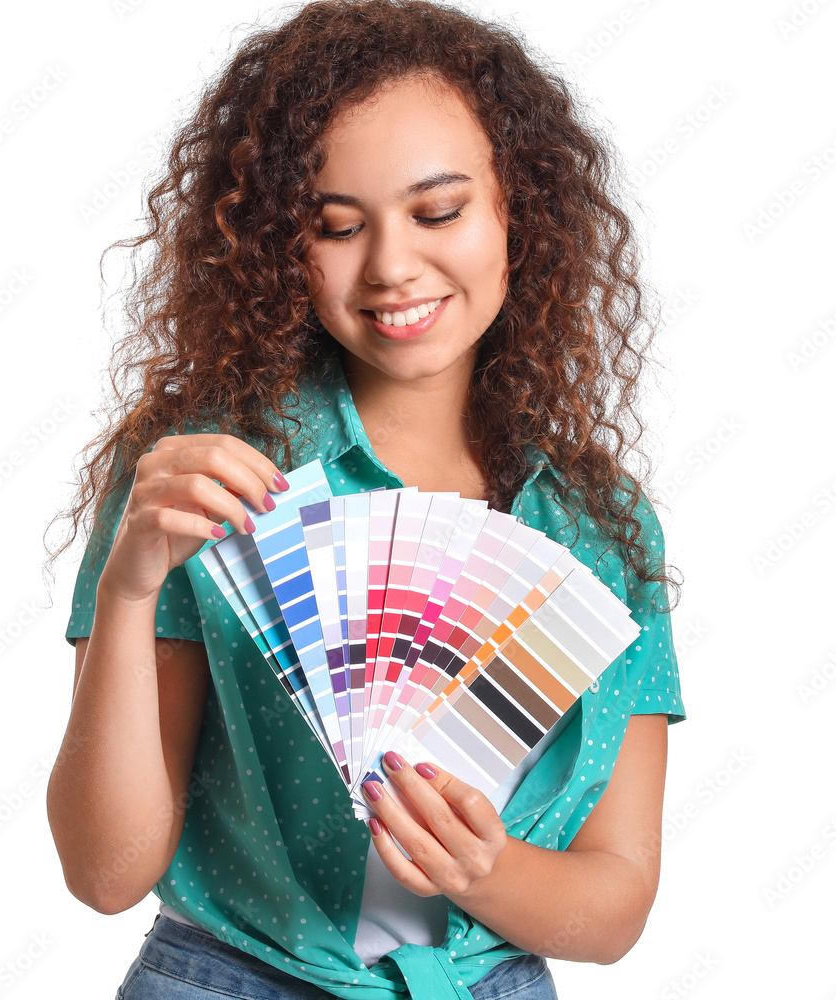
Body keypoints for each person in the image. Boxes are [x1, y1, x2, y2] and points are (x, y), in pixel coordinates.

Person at [45, 1, 686, 997]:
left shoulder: (600, 528)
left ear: (522, 206)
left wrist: (486, 869)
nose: (391, 265)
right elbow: (104, 870)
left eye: (439, 212)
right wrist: (128, 592)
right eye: (336, 226)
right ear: (275, 247)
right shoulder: (204, 479)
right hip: (229, 975)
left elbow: (617, 900)